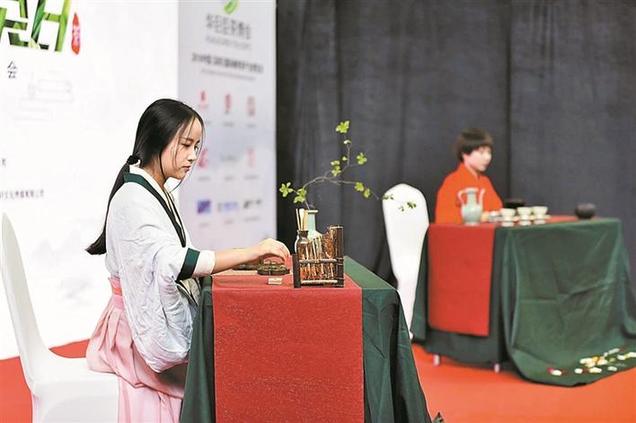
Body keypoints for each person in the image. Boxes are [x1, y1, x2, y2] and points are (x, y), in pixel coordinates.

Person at [85, 98, 290, 422]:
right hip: (131, 337)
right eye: (185, 145)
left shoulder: (154, 191)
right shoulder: (134, 200)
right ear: (157, 140)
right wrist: (250, 252)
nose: (193, 155)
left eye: (196, 146)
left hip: (133, 323)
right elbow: (175, 263)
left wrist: (243, 261)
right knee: (215, 381)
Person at [434, 128, 503, 224]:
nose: (487, 157)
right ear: (465, 154)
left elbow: (498, 209)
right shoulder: (452, 182)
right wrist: (480, 217)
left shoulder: (485, 181)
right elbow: (444, 218)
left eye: (489, 152)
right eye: (481, 152)